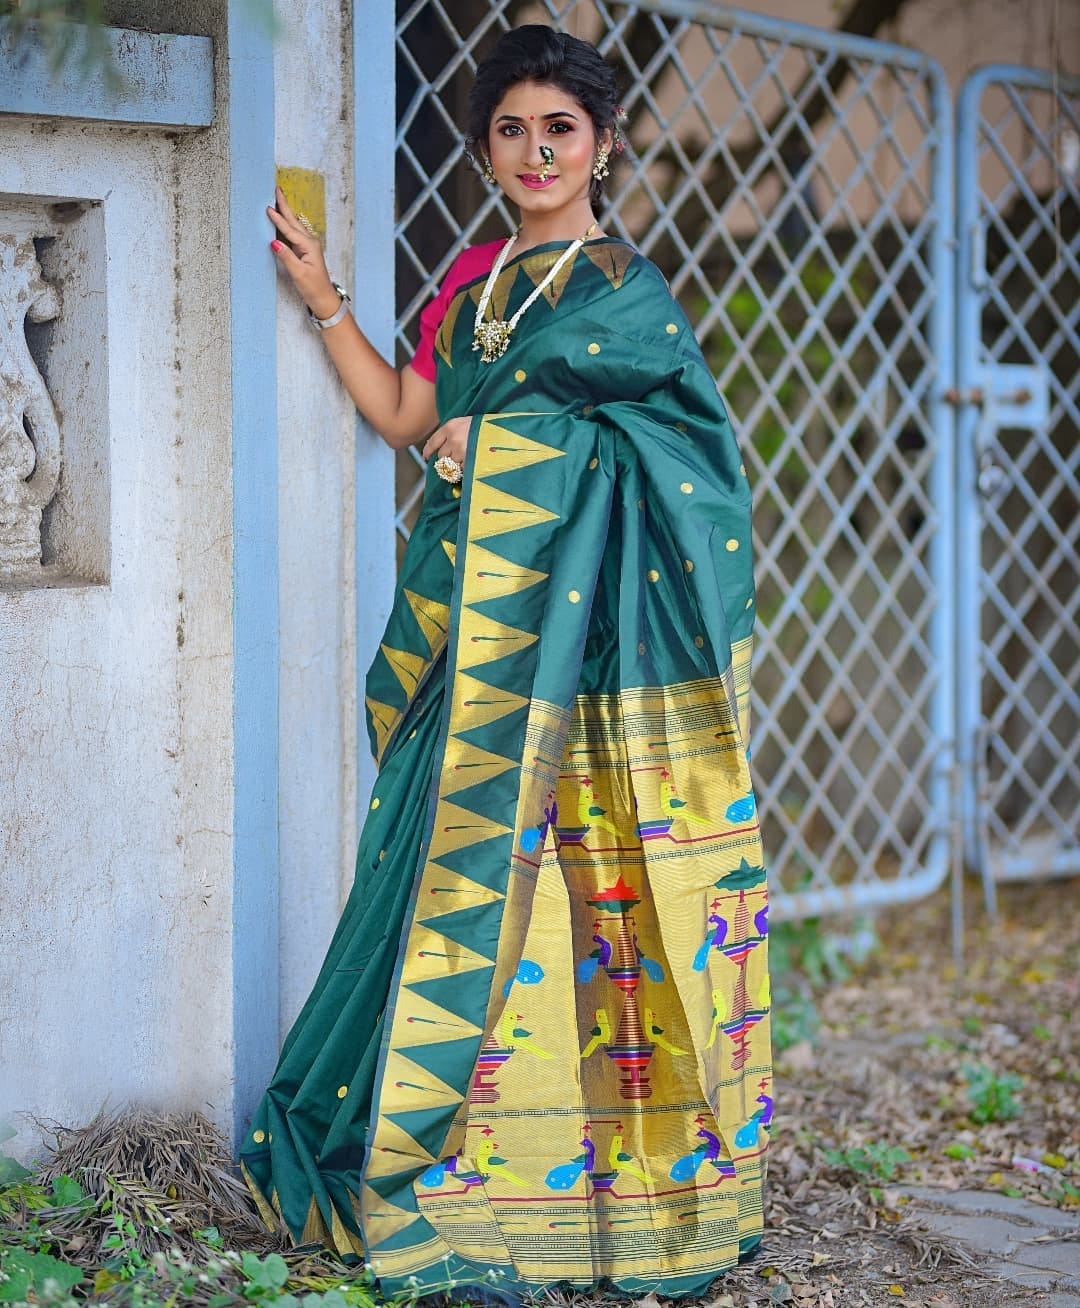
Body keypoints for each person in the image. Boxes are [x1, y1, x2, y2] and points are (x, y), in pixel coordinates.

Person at [240, 24, 771, 1299]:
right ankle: (415, 1151)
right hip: (473, 646)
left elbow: (694, 470)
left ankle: (598, 1195)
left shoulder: (627, 295)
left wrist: (517, 450)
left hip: (591, 664)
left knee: (590, 897)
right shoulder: (476, 285)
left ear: (604, 146)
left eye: (560, 131)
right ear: (485, 150)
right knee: (432, 874)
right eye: (512, 131)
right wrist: (324, 297)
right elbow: (406, 418)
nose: (537, 153)